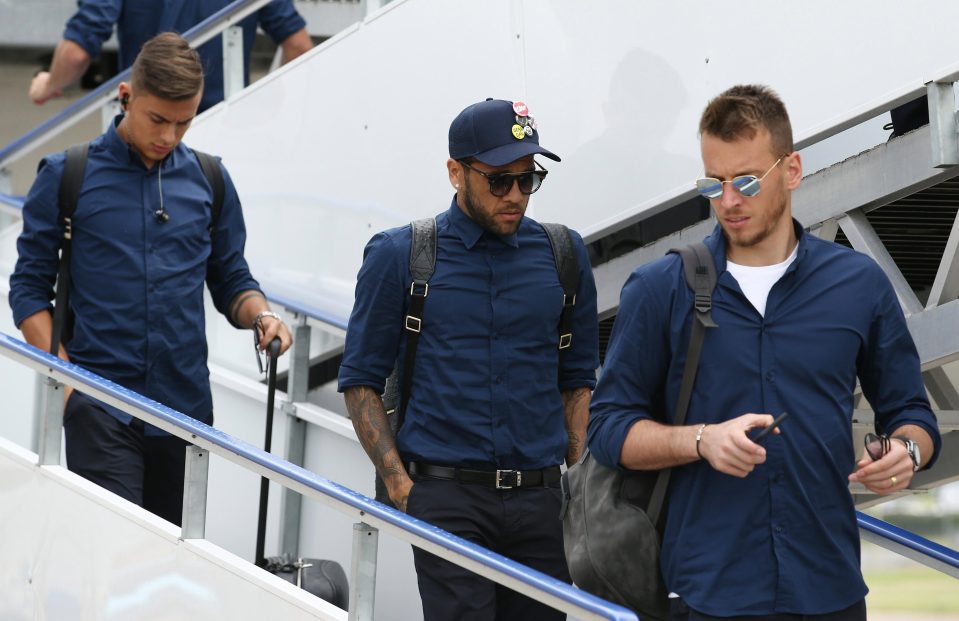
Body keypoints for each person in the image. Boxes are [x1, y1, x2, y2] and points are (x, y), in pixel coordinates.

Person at [587, 84, 941, 621]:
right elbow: (608, 429)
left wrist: (907, 454)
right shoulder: (659, 289)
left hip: (830, 590)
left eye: (747, 181)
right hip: (706, 595)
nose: (728, 201)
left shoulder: (858, 283)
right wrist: (702, 440)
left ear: (792, 170)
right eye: (714, 183)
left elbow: (912, 414)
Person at [10, 32, 292, 526]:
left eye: (183, 123)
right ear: (126, 97)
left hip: (184, 410)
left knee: (170, 575)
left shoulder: (210, 179)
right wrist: (68, 382)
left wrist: (262, 315)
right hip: (98, 404)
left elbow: (230, 278)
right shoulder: (64, 174)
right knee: (112, 555)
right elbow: (28, 292)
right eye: (158, 120)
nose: (168, 136)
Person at [337, 98, 600, 620]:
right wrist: (402, 488)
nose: (517, 195)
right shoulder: (399, 255)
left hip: (543, 500)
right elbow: (359, 380)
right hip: (446, 498)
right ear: (456, 172)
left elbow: (576, 381)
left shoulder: (563, 254)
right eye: (499, 181)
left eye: (529, 179)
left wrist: (578, 486)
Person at [29, 0, 312, 112]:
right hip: (224, 122)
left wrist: (48, 84)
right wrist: (264, 103)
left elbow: (76, 54)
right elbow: (299, 46)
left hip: (144, 127)